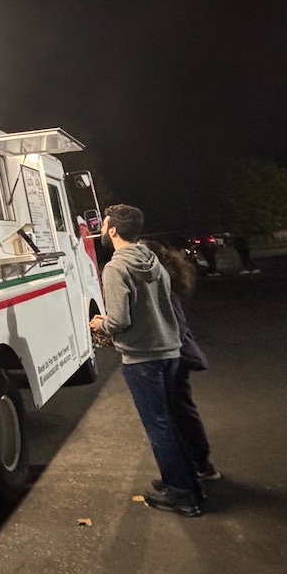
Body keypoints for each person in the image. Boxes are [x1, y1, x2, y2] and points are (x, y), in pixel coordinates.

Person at [90, 204, 204, 516]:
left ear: (113, 230)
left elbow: (119, 320)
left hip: (142, 358)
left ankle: (182, 494)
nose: (102, 229)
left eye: (105, 224)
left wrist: (101, 324)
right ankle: (185, 481)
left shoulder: (116, 268)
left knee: (158, 425)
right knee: (170, 419)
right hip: (169, 350)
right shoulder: (152, 259)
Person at [144, 239, 220, 482]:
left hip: (174, 358)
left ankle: (201, 466)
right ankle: (195, 465)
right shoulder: (164, 284)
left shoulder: (163, 288)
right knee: (179, 412)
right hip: (175, 357)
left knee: (180, 413)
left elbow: (176, 328)